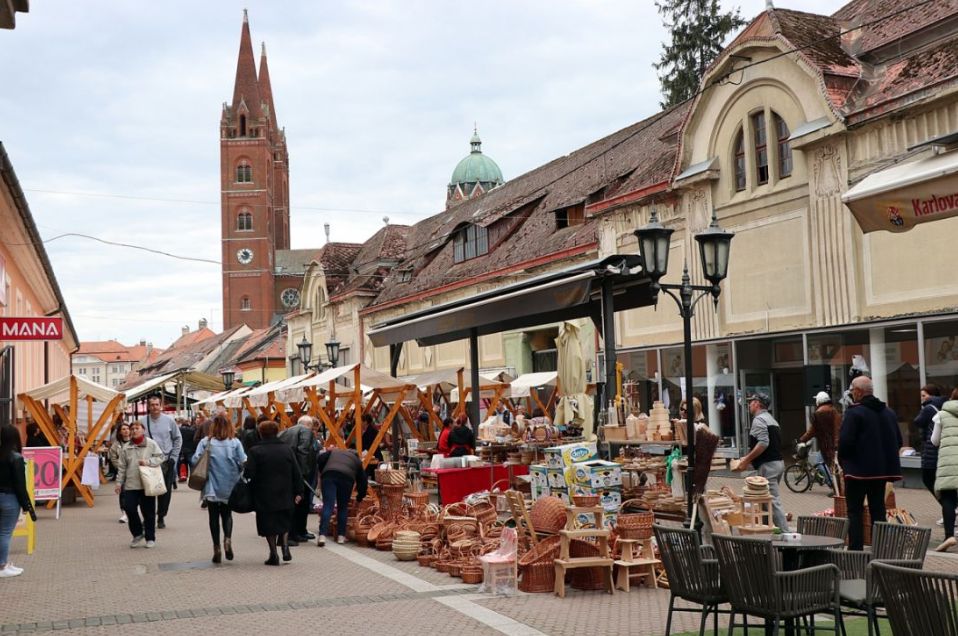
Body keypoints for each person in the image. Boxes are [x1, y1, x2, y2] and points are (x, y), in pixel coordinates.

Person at [839, 375, 903, 551]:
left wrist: (845, 461)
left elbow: (845, 443)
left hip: (857, 472)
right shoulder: (888, 412)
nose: (851, 393)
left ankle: (855, 550)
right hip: (880, 472)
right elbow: (898, 441)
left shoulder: (854, 412)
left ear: (859, 392)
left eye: (852, 390)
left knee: (854, 511)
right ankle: (880, 548)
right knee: (878, 510)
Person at [244, 420, 303, 566]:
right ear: (276, 432)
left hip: (264, 493)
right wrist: (299, 491)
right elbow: (297, 471)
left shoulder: (255, 451)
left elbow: (249, 473)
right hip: (285, 491)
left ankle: (273, 554)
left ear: (260, 433)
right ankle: (284, 546)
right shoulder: (287, 449)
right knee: (284, 519)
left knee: (267, 523)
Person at [192, 415, 246, 564]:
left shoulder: (206, 442)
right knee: (227, 514)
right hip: (229, 484)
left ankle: (216, 547)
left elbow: (195, 459)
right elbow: (243, 461)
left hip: (211, 484)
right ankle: (227, 539)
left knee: (213, 517)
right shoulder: (235, 442)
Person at [732, 393, 788, 532]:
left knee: (772, 500)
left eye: (751, 402)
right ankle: (766, 531)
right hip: (778, 464)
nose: (749, 404)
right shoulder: (772, 420)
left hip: (768, 466)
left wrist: (746, 460)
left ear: (757, 403)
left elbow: (763, 443)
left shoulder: (759, 420)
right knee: (764, 501)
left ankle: (787, 535)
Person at [114, 421, 166, 549]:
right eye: (132, 429)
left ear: (143, 430)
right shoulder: (126, 447)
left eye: (137, 428)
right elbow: (122, 467)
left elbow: (160, 457)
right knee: (129, 508)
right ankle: (137, 533)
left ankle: (150, 537)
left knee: (148, 512)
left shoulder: (151, 444)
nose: (134, 431)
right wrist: (118, 483)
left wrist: (148, 461)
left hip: (147, 483)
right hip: (131, 484)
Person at [141, 396, 182, 529]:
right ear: (148, 407)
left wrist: (173, 458)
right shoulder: (143, 422)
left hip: (166, 460)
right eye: (152, 405)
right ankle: (149, 517)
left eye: (157, 404)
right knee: (149, 489)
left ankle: (161, 516)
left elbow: (177, 439)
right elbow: (138, 440)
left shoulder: (169, 421)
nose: (154, 407)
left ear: (161, 406)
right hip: (150, 461)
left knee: (165, 491)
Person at [0, 425, 36, 578]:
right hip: (10, 498)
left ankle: (4, 563)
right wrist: (26, 505)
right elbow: (20, 485)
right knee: (5, 532)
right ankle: (2, 565)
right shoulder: (16, 458)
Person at [315, 444, 367, 546]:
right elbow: (363, 482)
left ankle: (322, 536)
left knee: (328, 505)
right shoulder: (356, 461)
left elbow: (320, 458)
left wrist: (323, 470)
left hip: (329, 475)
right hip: (346, 478)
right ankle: (341, 537)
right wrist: (360, 496)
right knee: (342, 507)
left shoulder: (335, 452)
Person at [280, 415, 317, 543]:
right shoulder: (305, 431)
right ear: (309, 425)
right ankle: (295, 532)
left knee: (294, 503)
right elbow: (303, 451)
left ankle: (298, 532)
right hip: (299, 474)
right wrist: (303, 474)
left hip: (286, 472)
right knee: (300, 503)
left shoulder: (285, 432)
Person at [931, 388, 958, 552]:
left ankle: (949, 536)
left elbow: (934, 440)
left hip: (948, 461)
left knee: (948, 498)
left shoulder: (941, 414)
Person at [799, 391, 841, 483]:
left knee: (819, 463)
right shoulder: (834, 410)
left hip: (826, 445)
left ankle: (832, 484)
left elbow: (812, 431)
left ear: (818, 401)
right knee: (836, 466)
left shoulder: (818, 413)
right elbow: (837, 428)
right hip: (836, 444)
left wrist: (802, 439)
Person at [913, 384, 945, 502]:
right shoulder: (944, 406)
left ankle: (949, 507)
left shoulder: (929, 408)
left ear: (932, 396)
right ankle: (949, 508)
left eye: (924, 395)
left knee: (928, 479)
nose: (922, 398)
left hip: (931, 449)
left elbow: (917, 422)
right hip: (943, 449)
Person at [109, 422, 132, 523]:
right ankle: (124, 513)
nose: (126, 431)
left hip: (134, 472)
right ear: (120, 432)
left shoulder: (134, 442)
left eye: (127, 429)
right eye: (123, 429)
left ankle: (133, 511)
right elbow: (113, 458)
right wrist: (120, 467)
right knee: (123, 492)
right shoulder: (116, 445)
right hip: (122, 472)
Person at [178, 418, 197, 483]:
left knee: (182, 463)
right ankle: (193, 476)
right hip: (190, 449)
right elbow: (194, 440)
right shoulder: (192, 430)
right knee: (191, 464)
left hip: (181, 449)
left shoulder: (179, 430)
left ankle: (182, 476)